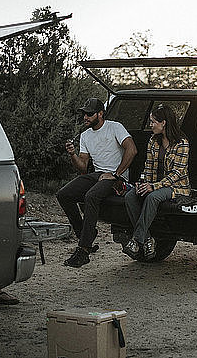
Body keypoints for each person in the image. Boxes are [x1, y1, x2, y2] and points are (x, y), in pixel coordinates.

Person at [57, 97, 137, 268]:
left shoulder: (114, 127)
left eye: (89, 114)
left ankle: (84, 250)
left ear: (100, 114)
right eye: (84, 114)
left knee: (91, 196)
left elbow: (132, 149)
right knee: (64, 194)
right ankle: (85, 234)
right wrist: (72, 154)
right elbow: (83, 167)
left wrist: (116, 174)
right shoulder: (85, 136)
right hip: (98, 174)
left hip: (117, 177)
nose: (85, 117)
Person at [122, 104, 190, 260]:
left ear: (164, 123)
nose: (150, 125)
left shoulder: (182, 143)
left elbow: (177, 174)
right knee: (131, 196)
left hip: (176, 187)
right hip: (155, 184)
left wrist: (153, 187)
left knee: (153, 197)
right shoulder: (153, 141)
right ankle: (147, 239)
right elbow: (149, 166)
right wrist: (142, 182)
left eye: (153, 122)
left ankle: (137, 240)